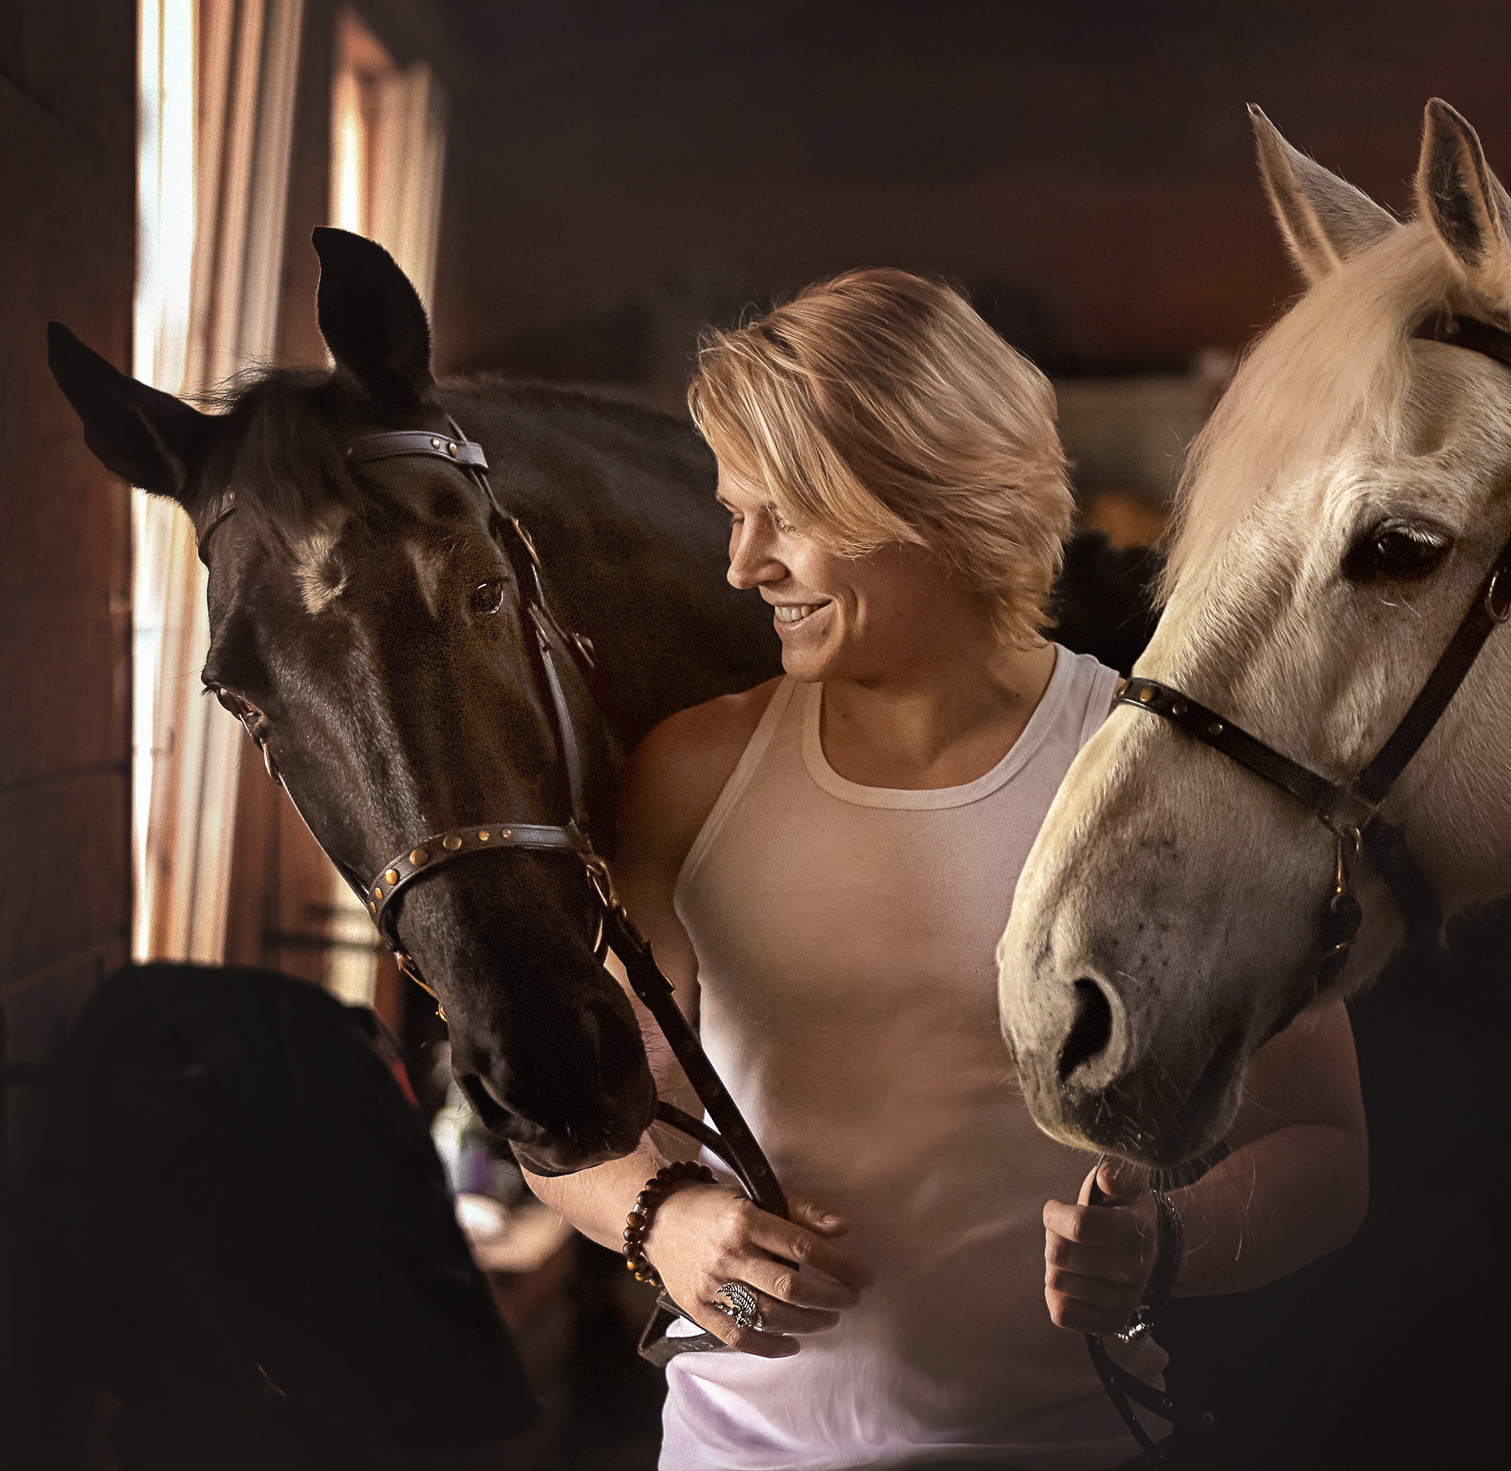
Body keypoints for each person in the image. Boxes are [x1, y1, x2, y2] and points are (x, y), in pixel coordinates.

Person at [527, 269, 1368, 1471]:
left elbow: (1327, 1152)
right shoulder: (692, 772)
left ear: (933, 502)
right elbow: (581, 1117)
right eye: (733, 514)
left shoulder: (1160, 782)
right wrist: (664, 1218)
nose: (742, 565)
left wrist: (1162, 1245)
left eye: (784, 517)